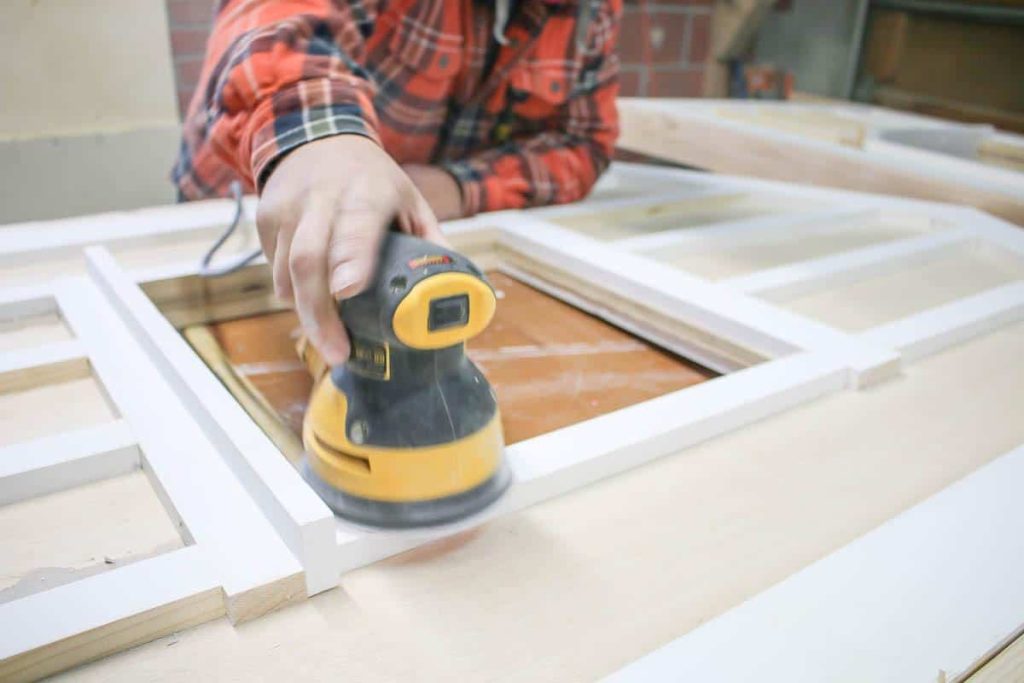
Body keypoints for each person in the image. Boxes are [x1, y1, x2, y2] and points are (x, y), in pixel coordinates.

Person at [175, 0, 621, 364]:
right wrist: (316, 131)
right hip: (232, 218)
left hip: (398, 226)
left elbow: (583, 142)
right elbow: (273, 18)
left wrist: (459, 186)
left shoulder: (590, 11)